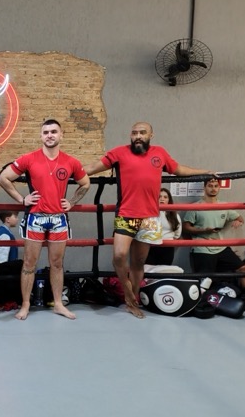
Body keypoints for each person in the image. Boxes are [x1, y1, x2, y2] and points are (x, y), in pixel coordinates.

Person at [83, 121, 214, 318]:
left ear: (150, 135)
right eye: (134, 132)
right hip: (126, 214)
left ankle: (133, 300)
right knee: (119, 255)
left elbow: (179, 169)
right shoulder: (119, 152)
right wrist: (65, 172)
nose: (138, 136)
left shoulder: (159, 153)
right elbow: (93, 167)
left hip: (150, 218)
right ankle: (128, 292)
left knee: (138, 262)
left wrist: (205, 172)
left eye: (142, 132)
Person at [0, 119, 90, 320]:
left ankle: (58, 304)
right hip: (35, 217)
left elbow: (85, 183)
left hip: (58, 219)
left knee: (57, 263)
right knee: (29, 263)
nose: (50, 135)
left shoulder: (71, 161)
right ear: (41, 136)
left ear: (61, 135)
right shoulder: (29, 158)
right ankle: (25, 305)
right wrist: (21, 199)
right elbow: (3, 177)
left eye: (53, 131)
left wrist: (72, 202)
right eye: (46, 132)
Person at [182, 178, 245, 290]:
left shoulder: (224, 206)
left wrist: (238, 221)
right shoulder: (196, 206)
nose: (213, 189)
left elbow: (240, 218)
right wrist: (204, 230)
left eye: (216, 186)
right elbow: (185, 228)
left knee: (244, 269)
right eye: (210, 186)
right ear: (204, 187)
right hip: (202, 248)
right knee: (205, 282)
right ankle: (202, 300)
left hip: (221, 247)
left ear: (219, 188)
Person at [145, 188, 182, 266]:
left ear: (169, 200)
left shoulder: (174, 215)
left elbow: (177, 234)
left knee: (164, 270)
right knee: (149, 270)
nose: (162, 199)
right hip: (150, 246)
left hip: (167, 247)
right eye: (159, 197)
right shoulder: (148, 213)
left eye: (165, 197)